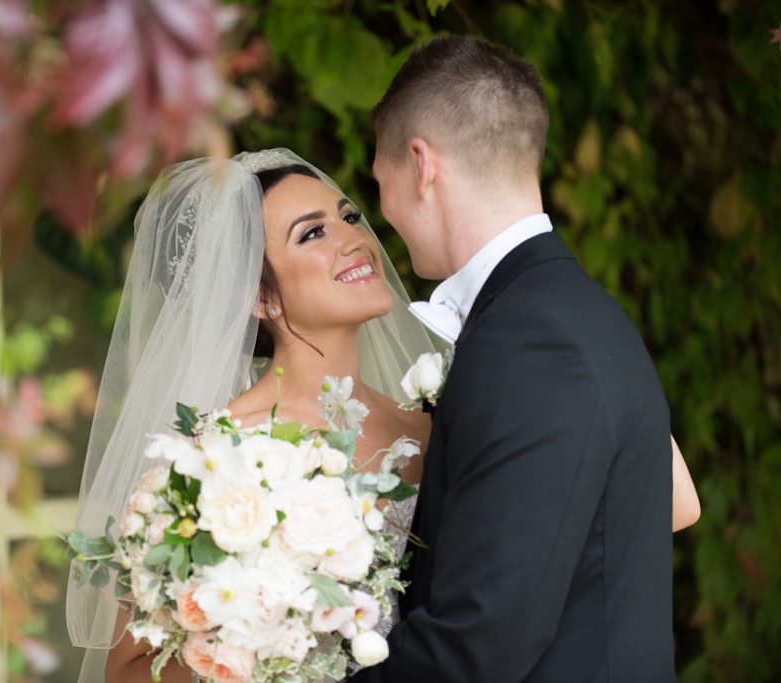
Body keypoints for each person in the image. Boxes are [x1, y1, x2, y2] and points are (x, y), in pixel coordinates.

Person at [69, 148, 698, 682]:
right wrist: (259, 636)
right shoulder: (213, 462)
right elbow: (127, 669)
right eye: (312, 233)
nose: (354, 239)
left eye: (349, 215)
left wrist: (570, 339)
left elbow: (673, 501)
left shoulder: (439, 419)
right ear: (260, 296)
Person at [351, 35, 689, 682]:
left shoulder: (531, 338)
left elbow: (478, 642)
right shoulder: (581, 310)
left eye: (378, 179)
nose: (382, 208)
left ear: (421, 164)